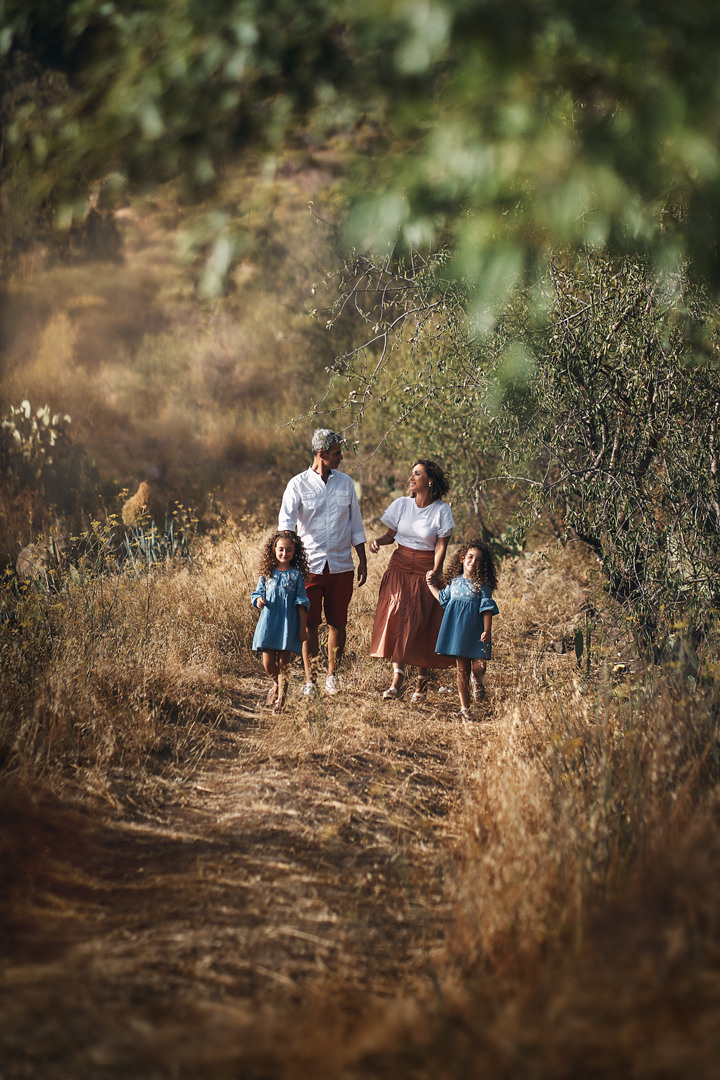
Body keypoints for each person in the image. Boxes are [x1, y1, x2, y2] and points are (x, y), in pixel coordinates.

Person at [278, 429, 367, 697]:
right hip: (309, 567)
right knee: (309, 624)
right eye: (337, 453)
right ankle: (310, 680)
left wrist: (362, 560)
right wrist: (285, 565)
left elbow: (356, 525)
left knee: (337, 622)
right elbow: (286, 526)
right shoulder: (297, 484)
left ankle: (332, 676)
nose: (341, 458)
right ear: (321, 454)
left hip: (341, 565)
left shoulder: (346, 484)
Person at [369, 459, 455, 702]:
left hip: (426, 569)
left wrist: (436, 570)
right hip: (399, 565)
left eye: (417, 474)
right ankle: (397, 680)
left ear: (429, 480)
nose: (411, 478)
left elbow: (440, 546)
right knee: (397, 618)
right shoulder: (401, 505)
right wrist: (378, 541)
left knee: (420, 622)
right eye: (411, 473)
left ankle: (421, 682)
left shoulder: (441, 510)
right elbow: (390, 536)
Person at [426, 539, 499, 719]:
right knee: (462, 671)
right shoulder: (455, 582)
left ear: (483, 565)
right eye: (470, 557)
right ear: (462, 558)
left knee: (479, 667)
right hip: (458, 632)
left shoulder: (483, 585)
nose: (473, 562)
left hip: (476, 632)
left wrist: (487, 630)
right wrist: (431, 585)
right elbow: (443, 599)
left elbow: (487, 608)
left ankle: (478, 682)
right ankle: (465, 708)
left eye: (478, 560)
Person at [251, 530, 312, 714]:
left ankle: (281, 701)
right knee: (268, 663)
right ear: (274, 549)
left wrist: (302, 628)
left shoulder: (296, 576)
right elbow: (256, 593)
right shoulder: (267, 572)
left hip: (288, 624)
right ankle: (277, 684)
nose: (284, 554)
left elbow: (301, 602)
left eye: (289, 550)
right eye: (281, 550)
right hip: (269, 622)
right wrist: (258, 600)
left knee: (284, 664)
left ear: (295, 552)